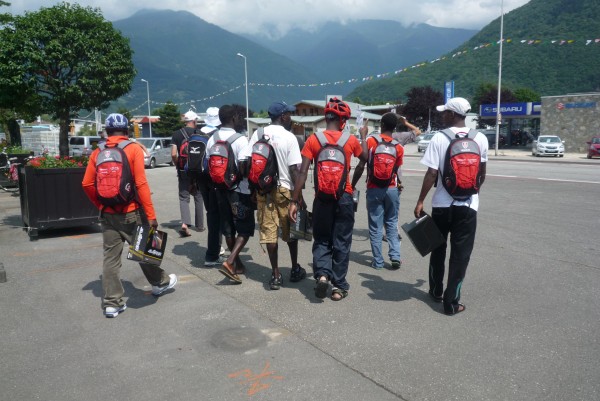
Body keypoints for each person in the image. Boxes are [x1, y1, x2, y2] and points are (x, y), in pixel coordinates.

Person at [82, 113, 177, 318]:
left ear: (107, 131)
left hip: (107, 214)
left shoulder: (98, 152)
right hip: (131, 211)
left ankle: (112, 303)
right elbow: (141, 183)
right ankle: (160, 283)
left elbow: (87, 184)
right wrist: (151, 214)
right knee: (144, 249)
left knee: (111, 259)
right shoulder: (133, 149)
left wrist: (101, 204)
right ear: (126, 130)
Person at [413, 97, 488, 315]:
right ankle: (451, 302)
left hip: (442, 205)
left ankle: (436, 291)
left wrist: (420, 200)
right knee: (460, 255)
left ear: (453, 114)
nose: (442, 115)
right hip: (468, 206)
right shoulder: (480, 138)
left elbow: (431, 173)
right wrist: (470, 193)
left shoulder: (439, 138)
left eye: (445, 112)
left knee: (438, 248)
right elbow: (482, 174)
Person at [289, 98, 368, 301]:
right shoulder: (350, 140)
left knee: (322, 239)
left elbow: (302, 172)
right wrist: (363, 136)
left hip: (322, 198)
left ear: (326, 118)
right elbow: (365, 158)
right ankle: (338, 287)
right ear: (343, 121)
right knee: (341, 241)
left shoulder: (314, 140)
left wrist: (294, 201)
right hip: (344, 197)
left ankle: (323, 275)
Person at [240, 101, 306, 290]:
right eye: (289, 114)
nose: (290, 118)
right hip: (284, 190)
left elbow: (246, 162)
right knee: (290, 231)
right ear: (283, 116)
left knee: (269, 233)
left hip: (264, 190)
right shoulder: (289, 137)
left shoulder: (258, 134)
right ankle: (294, 268)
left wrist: (253, 189)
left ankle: (275, 274)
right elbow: (294, 170)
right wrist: (298, 197)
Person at [207, 104, 254, 284]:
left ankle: (237, 265)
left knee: (228, 229)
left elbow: (207, 165)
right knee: (245, 228)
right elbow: (244, 167)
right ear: (234, 118)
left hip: (219, 189)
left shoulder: (212, 139)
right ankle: (230, 261)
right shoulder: (240, 140)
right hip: (239, 191)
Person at [351, 112, 404, 270]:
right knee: (392, 222)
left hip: (374, 188)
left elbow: (362, 162)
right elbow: (396, 169)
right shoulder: (398, 147)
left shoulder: (371, 141)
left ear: (382, 125)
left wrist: (352, 184)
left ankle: (378, 262)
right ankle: (395, 256)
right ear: (394, 127)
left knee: (375, 226)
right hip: (392, 188)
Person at [196, 107, 226, 267]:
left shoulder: (199, 132)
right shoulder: (217, 135)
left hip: (201, 179)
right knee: (216, 217)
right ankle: (213, 254)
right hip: (214, 179)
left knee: (212, 214)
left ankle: (216, 248)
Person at [170, 110, 205, 237]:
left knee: (184, 197)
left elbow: (173, 154)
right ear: (194, 121)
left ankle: (185, 223)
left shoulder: (177, 134)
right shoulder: (201, 134)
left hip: (183, 169)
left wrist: (178, 165)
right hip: (198, 170)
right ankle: (200, 226)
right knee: (198, 196)